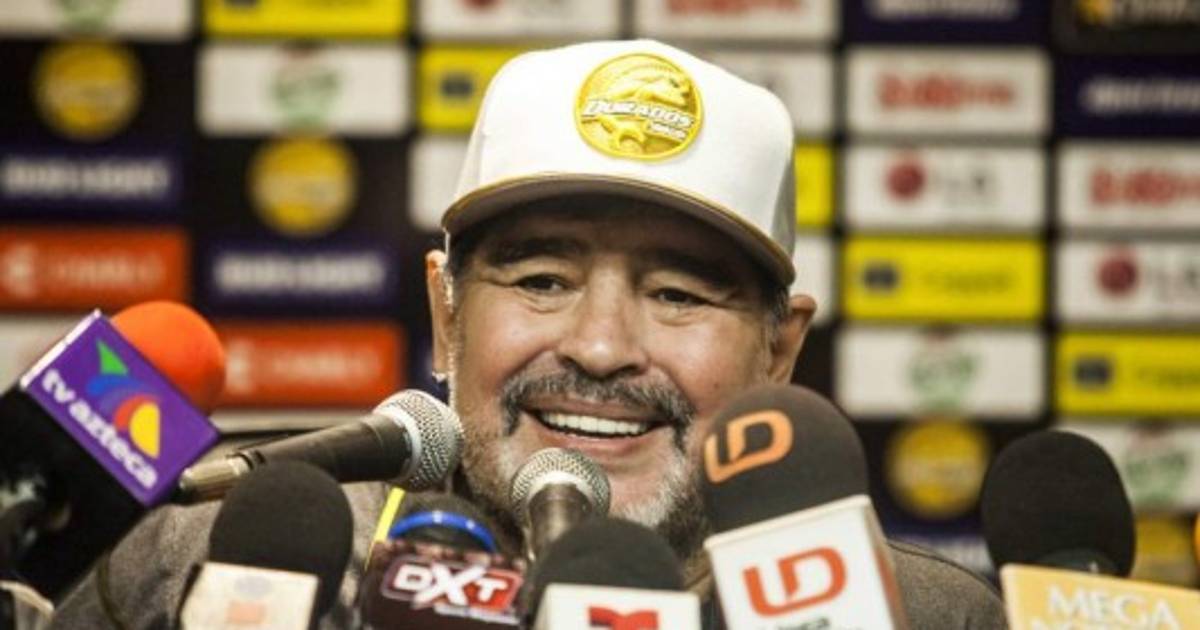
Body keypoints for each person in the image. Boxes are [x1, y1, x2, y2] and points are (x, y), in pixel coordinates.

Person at [48, 40, 1007, 629]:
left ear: (779, 353)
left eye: (678, 294)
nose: (600, 347)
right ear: (446, 318)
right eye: (541, 280)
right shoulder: (213, 565)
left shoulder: (921, 619)